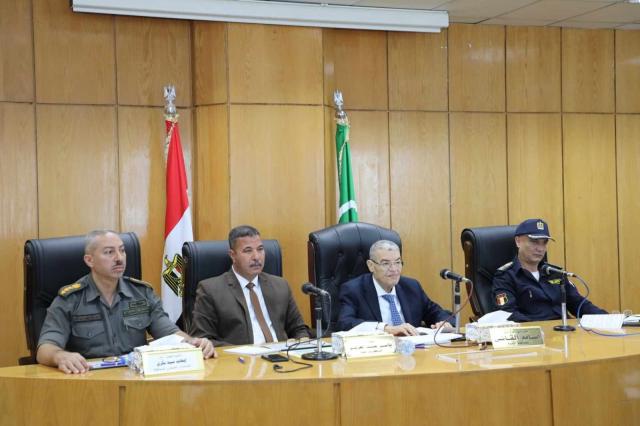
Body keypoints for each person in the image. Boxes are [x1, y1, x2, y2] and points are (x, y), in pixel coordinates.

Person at [37, 230, 216, 374]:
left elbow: (169, 333)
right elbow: (45, 349)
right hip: (89, 379)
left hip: (136, 377)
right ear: (89, 260)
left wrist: (193, 343)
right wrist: (60, 356)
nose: (119, 258)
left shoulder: (142, 294)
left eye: (122, 250)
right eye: (109, 252)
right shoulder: (70, 299)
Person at [189, 225, 310, 346]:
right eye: (248, 251)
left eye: (260, 249)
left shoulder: (280, 285)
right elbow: (202, 339)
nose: (256, 257)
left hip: (282, 355)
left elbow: (299, 329)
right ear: (232, 255)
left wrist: (303, 342)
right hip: (239, 357)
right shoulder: (211, 290)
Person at [492, 218, 607, 322]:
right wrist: (543, 329)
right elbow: (508, 313)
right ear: (518, 241)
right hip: (535, 334)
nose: (540, 248)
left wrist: (608, 319)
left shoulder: (555, 273)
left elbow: (579, 304)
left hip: (566, 332)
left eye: (544, 243)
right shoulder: (504, 277)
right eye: (534, 242)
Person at [338, 240, 452, 335]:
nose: (394, 269)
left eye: (397, 262)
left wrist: (444, 322)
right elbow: (345, 323)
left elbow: (436, 312)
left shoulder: (411, 287)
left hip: (413, 350)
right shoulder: (354, 290)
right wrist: (385, 328)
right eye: (386, 263)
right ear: (371, 266)